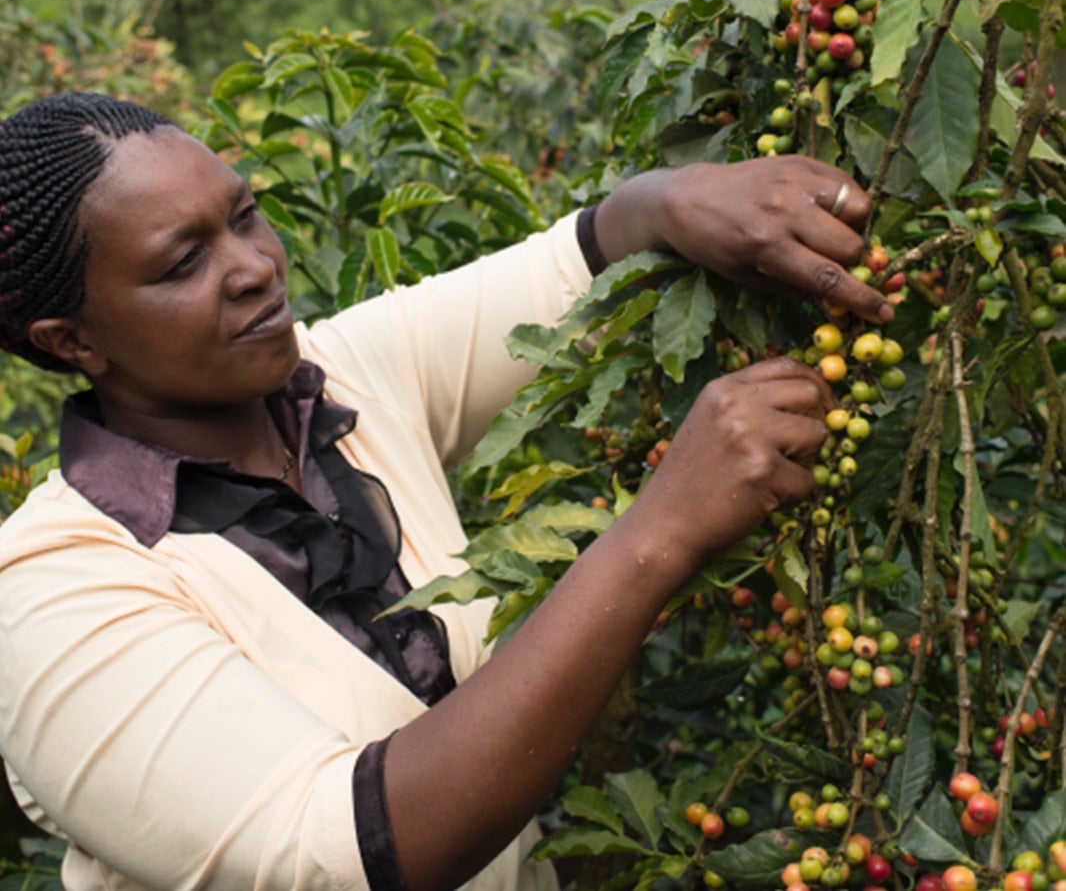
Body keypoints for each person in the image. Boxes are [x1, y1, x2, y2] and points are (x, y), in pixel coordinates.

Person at [0, 92, 888, 891]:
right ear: (73, 341)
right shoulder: (50, 601)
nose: (254, 267)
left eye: (244, 216)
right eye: (181, 264)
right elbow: (355, 855)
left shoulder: (336, 379)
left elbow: (576, 264)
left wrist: (671, 198)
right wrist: (659, 534)